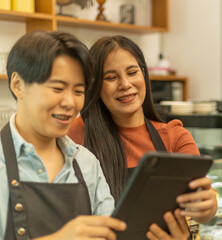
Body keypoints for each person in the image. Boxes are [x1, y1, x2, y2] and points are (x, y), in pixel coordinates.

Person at [67, 35, 218, 239]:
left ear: (144, 74)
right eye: (111, 77)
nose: (125, 84)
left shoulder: (175, 136)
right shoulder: (77, 135)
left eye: (132, 72)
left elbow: (201, 198)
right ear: (95, 86)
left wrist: (207, 207)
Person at [0, 31, 127, 240]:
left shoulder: (86, 163)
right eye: (57, 88)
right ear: (17, 84)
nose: (70, 103)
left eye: (78, 91)